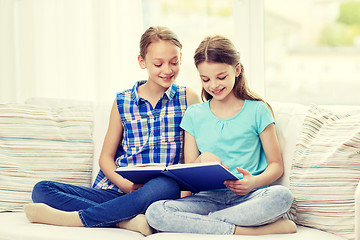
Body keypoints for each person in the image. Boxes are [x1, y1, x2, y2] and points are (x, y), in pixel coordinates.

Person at [24, 26, 199, 236]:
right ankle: (123, 221)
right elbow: (105, 158)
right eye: (158, 64)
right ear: (142, 62)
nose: (167, 70)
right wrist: (126, 186)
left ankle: (80, 219)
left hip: (159, 193)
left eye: (174, 62)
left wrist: (185, 196)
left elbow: (191, 162)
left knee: (167, 185)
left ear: (180, 57)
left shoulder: (188, 98)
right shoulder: (123, 101)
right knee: (42, 189)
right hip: (120, 191)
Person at [145, 35, 297, 235]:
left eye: (221, 77)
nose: (214, 85)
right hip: (207, 199)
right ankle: (249, 231)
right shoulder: (194, 114)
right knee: (156, 212)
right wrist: (203, 160)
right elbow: (190, 173)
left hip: (249, 197)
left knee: (282, 196)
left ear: (237, 69)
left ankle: (207, 224)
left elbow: (276, 166)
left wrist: (253, 182)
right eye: (205, 79)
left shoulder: (258, 110)